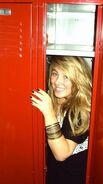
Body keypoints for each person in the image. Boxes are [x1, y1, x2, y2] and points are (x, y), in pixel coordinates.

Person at [31, 56, 92, 184]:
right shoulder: (53, 99)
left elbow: (61, 154)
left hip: (71, 177)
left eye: (66, 77)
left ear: (79, 79)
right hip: (52, 172)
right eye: (55, 74)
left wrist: (48, 112)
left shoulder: (80, 110)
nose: (58, 82)